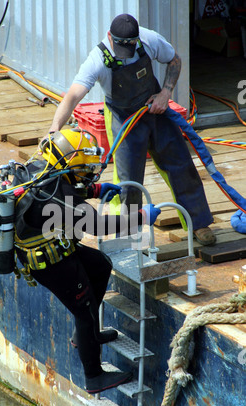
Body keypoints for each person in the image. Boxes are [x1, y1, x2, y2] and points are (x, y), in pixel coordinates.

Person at [42, 13, 216, 246]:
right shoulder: (98, 59)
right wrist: (54, 129)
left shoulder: (149, 39)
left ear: (137, 39)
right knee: (129, 181)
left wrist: (165, 93)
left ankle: (198, 223)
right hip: (124, 118)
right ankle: (129, 234)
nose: (128, 53)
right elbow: (73, 96)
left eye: (131, 47)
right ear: (109, 37)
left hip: (155, 109)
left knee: (181, 163)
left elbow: (174, 60)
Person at [12, 128, 161, 394]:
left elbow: (70, 182)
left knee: (100, 266)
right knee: (86, 312)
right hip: (51, 263)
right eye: (84, 169)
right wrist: (141, 217)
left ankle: (86, 336)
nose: (88, 174)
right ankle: (93, 376)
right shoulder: (56, 196)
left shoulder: (41, 166)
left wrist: (96, 189)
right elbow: (96, 225)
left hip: (54, 248)